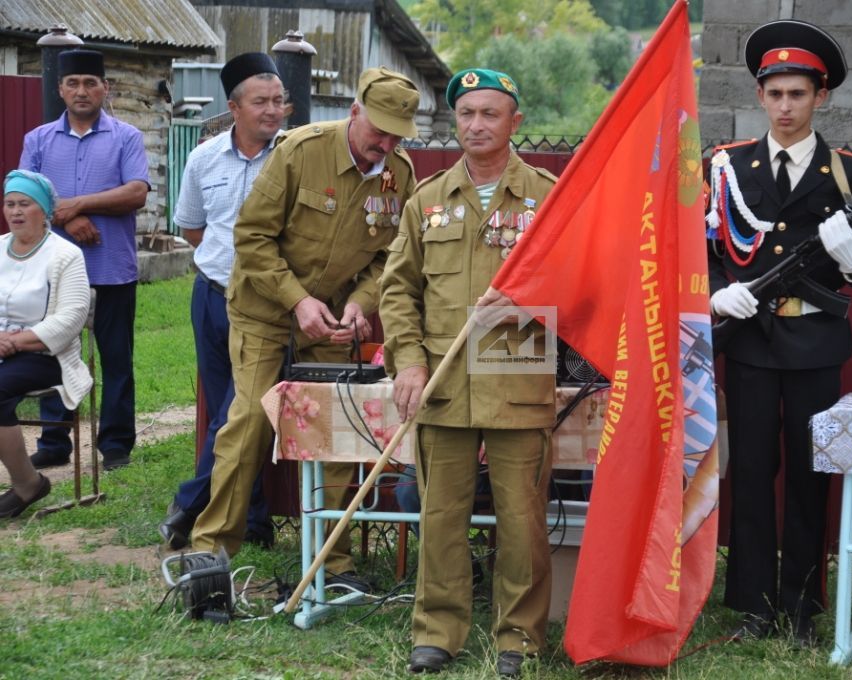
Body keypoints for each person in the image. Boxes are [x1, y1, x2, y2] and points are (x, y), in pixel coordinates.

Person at [187, 67, 421, 587]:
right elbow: (251, 238)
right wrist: (297, 302)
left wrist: (362, 302)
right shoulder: (298, 150)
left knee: (336, 433)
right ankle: (210, 552)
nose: (383, 145)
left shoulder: (398, 174)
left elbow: (392, 257)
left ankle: (330, 559)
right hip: (264, 310)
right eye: (377, 130)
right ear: (354, 112)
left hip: (333, 323)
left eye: (395, 136)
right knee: (248, 421)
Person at [705, 20, 852, 646]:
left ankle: (804, 608)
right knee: (752, 473)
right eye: (775, 93)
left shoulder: (851, 175)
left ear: (821, 97)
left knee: (810, 475)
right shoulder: (727, 166)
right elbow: (707, 246)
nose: (785, 106)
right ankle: (755, 607)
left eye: (798, 94)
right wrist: (713, 291)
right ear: (760, 96)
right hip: (751, 344)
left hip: (814, 348)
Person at [380, 68, 558, 677]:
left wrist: (532, 300)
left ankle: (519, 638)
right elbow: (397, 290)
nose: (476, 125)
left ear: (515, 122)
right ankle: (437, 630)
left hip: (517, 370)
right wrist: (407, 361)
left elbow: (584, 282)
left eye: (490, 113)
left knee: (522, 519)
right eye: (466, 114)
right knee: (441, 512)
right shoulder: (426, 199)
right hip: (443, 379)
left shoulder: (548, 197)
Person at [158, 53, 286, 551]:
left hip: (266, 306)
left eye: (279, 101)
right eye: (261, 102)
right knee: (224, 410)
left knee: (241, 411)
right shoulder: (203, 157)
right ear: (234, 107)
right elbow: (193, 227)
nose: (273, 111)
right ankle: (252, 519)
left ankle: (189, 504)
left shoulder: (293, 155)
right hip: (212, 294)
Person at [20, 49, 150, 471]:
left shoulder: (126, 137)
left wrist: (75, 206)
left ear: (104, 88)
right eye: (73, 83)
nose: (81, 91)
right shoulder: (38, 140)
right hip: (54, 271)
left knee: (116, 358)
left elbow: (136, 193)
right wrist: (70, 219)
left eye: (90, 83)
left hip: (112, 267)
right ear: (60, 89)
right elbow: (27, 197)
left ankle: (115, 444)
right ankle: (54, 441)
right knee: (53, 350)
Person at [0, 170, 91, 518]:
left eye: (25, 203)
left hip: (44, 354)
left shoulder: (64, 256)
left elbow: (71, 318)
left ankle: (27, 484)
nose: (15, 211)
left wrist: (14, 342)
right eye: (10, 204)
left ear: (45, 211)